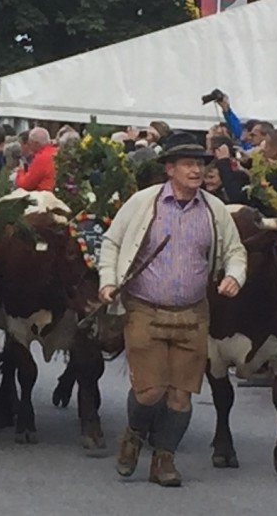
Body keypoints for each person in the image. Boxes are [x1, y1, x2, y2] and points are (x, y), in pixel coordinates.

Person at [98, 132, 246, 487]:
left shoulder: (215, 210)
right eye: (189, 164)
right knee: (150, 391)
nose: (196, 171)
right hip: (145, 309)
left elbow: (235, 252)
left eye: (200, 164)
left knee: (180, 396)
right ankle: (134, 433)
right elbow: (112, 242)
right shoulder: (142, 203)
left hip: (193, 314)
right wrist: (107, 280)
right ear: (170, 169)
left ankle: (164, 459)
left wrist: (235, 277)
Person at [14, 127, 56, 191]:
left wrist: (20, 171)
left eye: (30, 143)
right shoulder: (56, 152)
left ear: (36, 143)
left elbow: (26, 184)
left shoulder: (41, 158)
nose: (29, 146)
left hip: (43, 197)